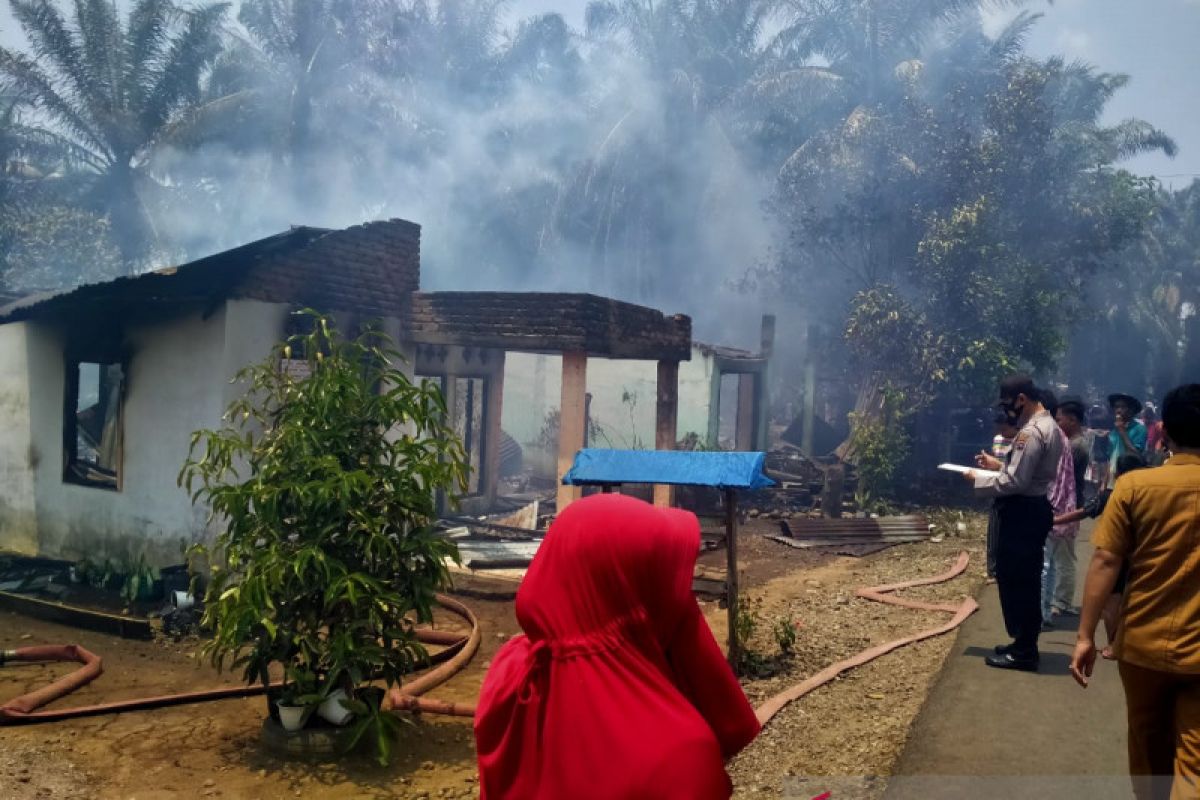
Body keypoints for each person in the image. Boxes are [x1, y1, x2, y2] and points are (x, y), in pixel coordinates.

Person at [474, 494, 760, 799]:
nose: (683, 603)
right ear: (638, 602)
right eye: (668, 586)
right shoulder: (678, 760)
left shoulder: (511, 680)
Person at [1071, 384, 1200, 800]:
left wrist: (1086, 636)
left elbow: (1106, 562)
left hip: (1142, 645)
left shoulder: (1134, 487)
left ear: (1164, 433)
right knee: (1194, 761)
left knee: (1147, 746)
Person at [964, 374, 1063, 672]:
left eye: (1009, 405)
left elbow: (1015, 482)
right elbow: (1025, 472)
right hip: (1034, 508)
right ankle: (1022, 642)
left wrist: (978, 481)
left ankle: (1024, 650)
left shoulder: (1030, 433)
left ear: (1022, 400)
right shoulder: (1050, 427)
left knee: (1017, 579)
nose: (1007, 412)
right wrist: (999, 466)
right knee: (1025, 578)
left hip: (1022, 511)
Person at [1054, 453, 1147, 659]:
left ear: (1119, 473)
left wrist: (1056, 520)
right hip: (1143, 556)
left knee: (1111, 602)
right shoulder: (1150, 494)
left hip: (1118, 554)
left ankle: (1114, 645)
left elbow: (1083, 512)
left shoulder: (1113, 496)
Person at [1039, 390, 1078, 628]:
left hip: (1051, 508)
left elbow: (1057, 479)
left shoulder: (1052, 435)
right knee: (1051, 565)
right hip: (1059, 508)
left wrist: (1049, 509)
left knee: (1044, 565)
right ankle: (1044, 613)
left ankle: (1039, 614)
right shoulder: (1061, 437)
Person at [985, 413, 1019, 582]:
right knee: (994, 529)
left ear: (1015, 426)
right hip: (997, 488)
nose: (1001, 431)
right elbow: (999, 464)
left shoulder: (1022, 442)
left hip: (1013, 490)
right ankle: (992, 569)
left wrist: (997, 466)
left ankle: (1008, 566)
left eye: (1004, 428)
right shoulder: (998, 439)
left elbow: (1015, 471)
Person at [1106, 392, 1147, 488]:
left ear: (1131, 410)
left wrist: (1122, 432)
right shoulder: (1114, 431)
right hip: (1112, 481)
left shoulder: (1139, 429)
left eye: (1123, 407)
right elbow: (1110, 458)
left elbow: (1136, 455)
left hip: (1130, 480)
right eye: (1116, 407)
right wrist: (1104, 483)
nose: (1118, 410)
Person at [1056, 395, 1091, 507]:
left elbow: (1059, 475)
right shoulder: (1071, 442)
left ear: (1072, 420)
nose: (1056, 424)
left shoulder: (1076, 446)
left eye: (1058, 420)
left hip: (1067, 502)